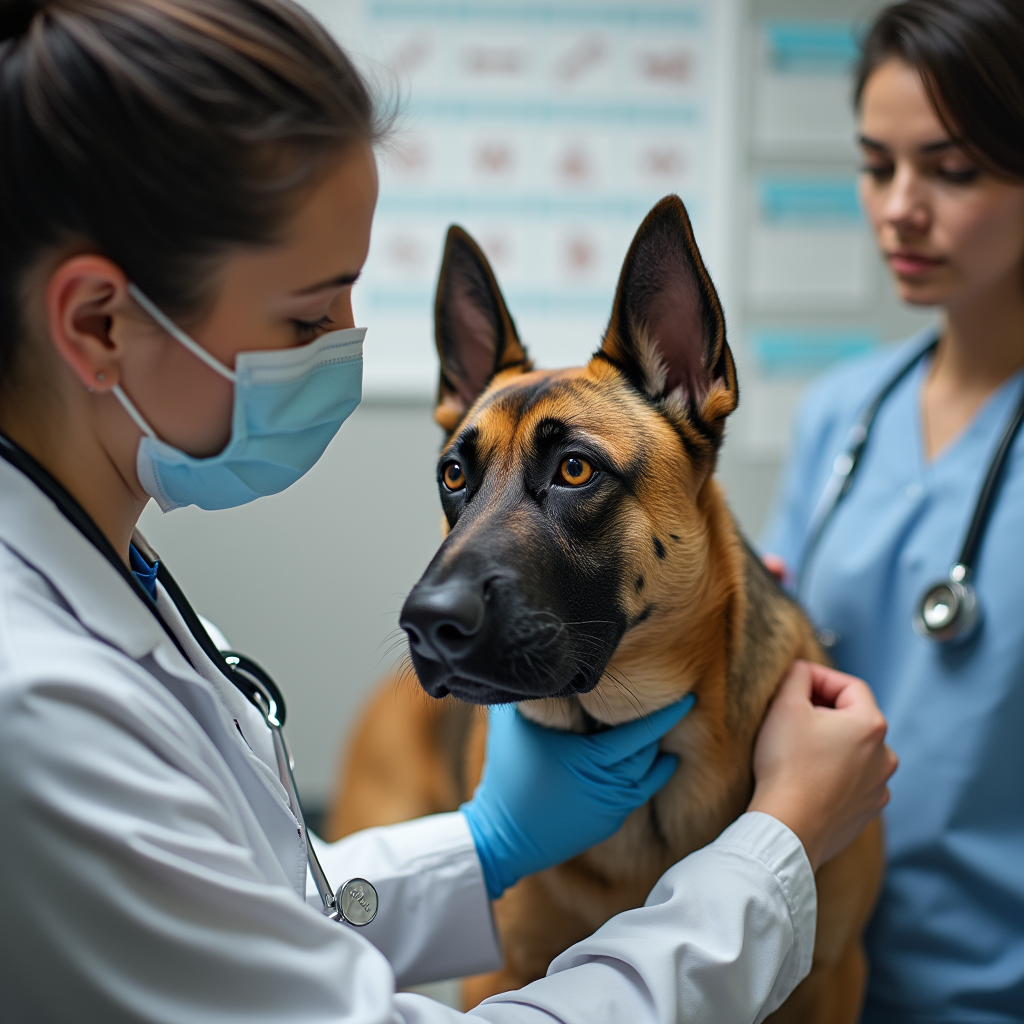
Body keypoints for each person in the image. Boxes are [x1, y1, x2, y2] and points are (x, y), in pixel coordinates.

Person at [0, 1, 895, 1021]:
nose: (346, 340)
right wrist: (772, 846)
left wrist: (487, 843)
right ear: (99, 322)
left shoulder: (109, 579)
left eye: (349, 300)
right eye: (308, 312)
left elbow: (254, 915)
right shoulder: (36, 700)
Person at [761, 1, 1024, 1020]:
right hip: (818, 971)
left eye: (950, 170)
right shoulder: (842, 412)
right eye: (877, 165)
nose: (899, 209)